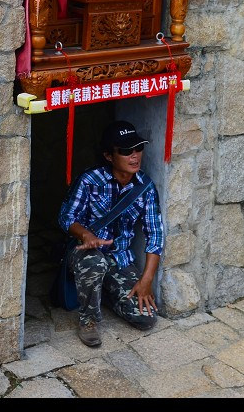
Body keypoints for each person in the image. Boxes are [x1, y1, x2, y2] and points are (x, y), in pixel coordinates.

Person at [58, 120, 164, 347]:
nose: (134, 156)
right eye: (126, 151)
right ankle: (89, 321)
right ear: (109, 156)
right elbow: (66, 217)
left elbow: (155, 235)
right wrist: (85, 234)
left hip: (120, 259)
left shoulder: (145, 188)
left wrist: (146, 280)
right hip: (87, 252)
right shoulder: (89, 180)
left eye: (138, 148)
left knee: (145, 318)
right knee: (95, 264)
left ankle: (103, 293)